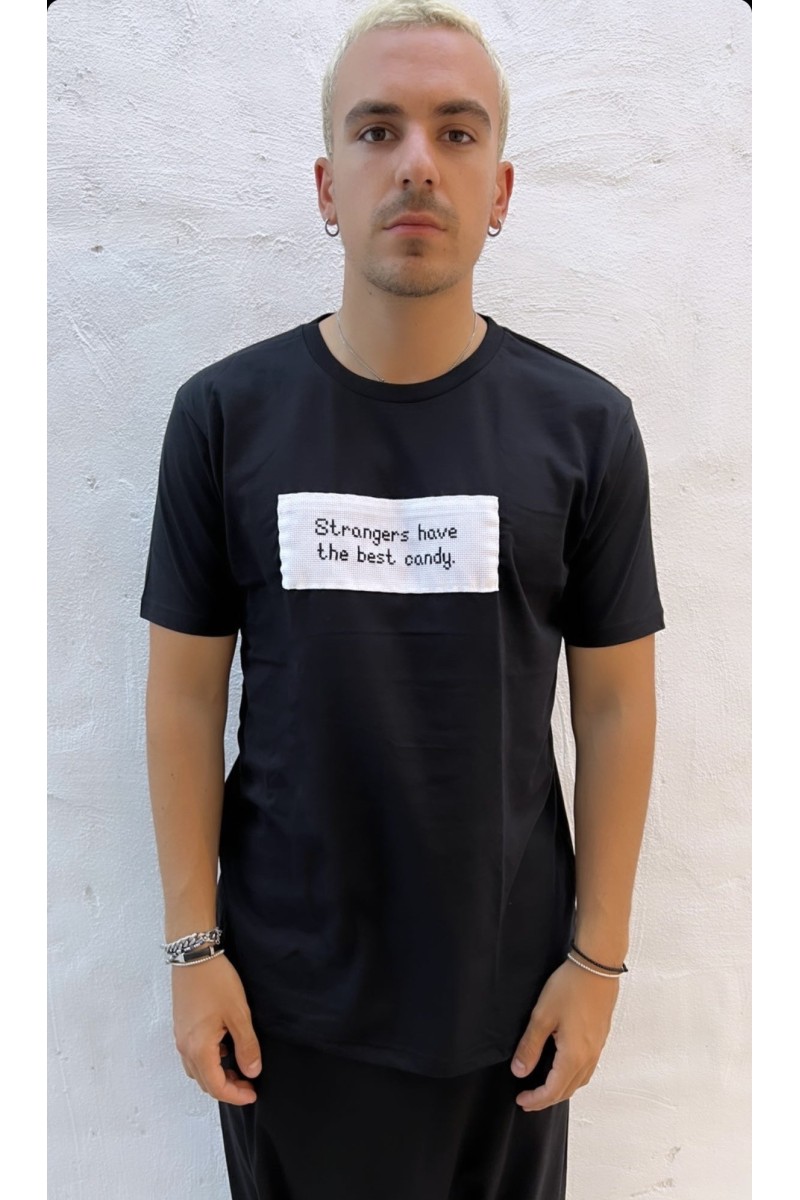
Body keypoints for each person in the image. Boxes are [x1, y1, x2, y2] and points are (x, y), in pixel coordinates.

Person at [141, 2, 665, 1196]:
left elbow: (616, 707)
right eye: (376, 130)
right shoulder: (224, 418)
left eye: (455, 132)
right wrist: (190, 949)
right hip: (281, 1006)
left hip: (508, 1009)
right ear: (327, 185)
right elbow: (183, 695)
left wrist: (596, 963)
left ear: (500, 188)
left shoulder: (583, 428)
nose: (416, 162)